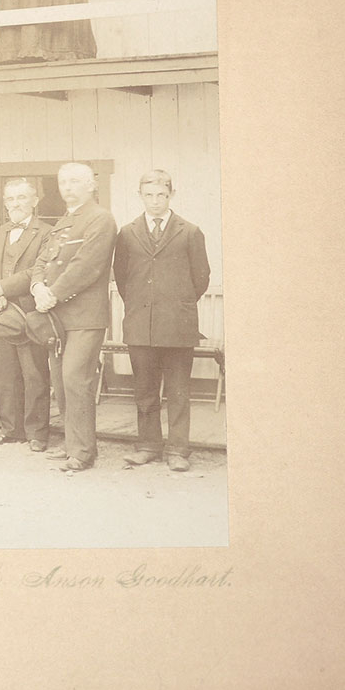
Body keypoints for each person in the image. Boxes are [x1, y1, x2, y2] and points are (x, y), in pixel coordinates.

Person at [113, 170, 211, 472]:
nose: (155, 201)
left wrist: (176, 306)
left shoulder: (190, 232)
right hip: (141, 325)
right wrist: (144, 309)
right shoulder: (128, 233)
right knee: (144, 391)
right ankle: (148, 445)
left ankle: (179, 449)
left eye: (161, 195)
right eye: (149, 195)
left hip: (178, 326)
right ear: (140, 196)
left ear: (171, 195)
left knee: (179, 391)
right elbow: (122, 278)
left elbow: (201, 278)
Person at [29, 162, 118, 472]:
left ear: (91, 185)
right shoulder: (64, 222)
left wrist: (51, 293)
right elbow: (42, 260)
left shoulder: (100, 219)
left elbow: (86, 266)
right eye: (63, 182)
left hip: (85, 317)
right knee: (61, 381)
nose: (67, 187)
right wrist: (37, 286)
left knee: (75, 379)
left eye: (74, 182)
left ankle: (81, 452)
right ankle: (72, 444)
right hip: (56, 316)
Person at [0, 178, 54, 452]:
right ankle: (10, 429)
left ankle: (37, 433)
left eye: (22, 197)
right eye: (10, 199)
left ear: (35, 200)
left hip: (28, 313)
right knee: (4, 374)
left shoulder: (46, 233)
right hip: (0, 313)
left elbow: (37, 270)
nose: (15, 203)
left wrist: (2, 288)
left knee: (34, 374)